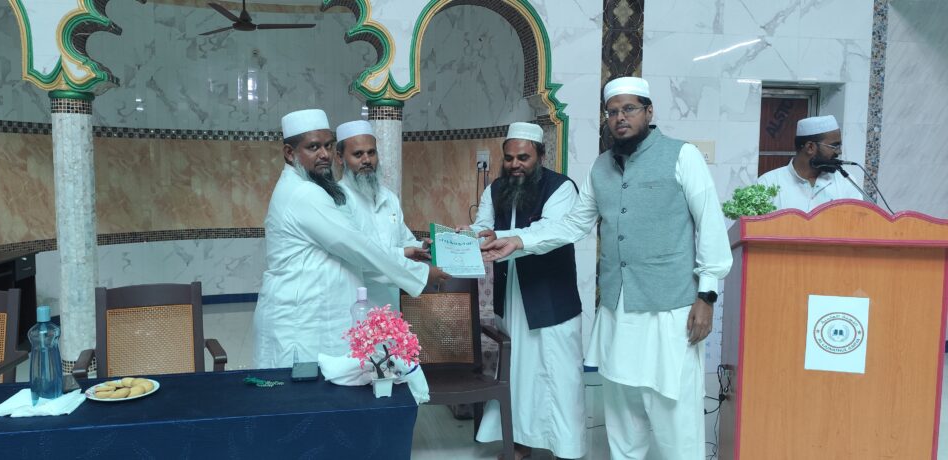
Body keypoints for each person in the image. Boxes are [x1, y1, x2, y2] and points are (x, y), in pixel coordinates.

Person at [481, 77, 732, 460]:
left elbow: (710, 224)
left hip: (670, 309)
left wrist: (707, 295)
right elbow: (572, 224)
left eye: (629, 109)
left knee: (674, 415)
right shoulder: (601, 168)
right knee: (622, 413)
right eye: (612, 112)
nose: (620, 118)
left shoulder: (683, 156)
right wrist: (519, 241)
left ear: (649, 111)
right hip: (617, 311)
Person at [252, 109, 449, 370]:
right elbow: (359, 248)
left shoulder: (313, 189)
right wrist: (422, 274)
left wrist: (411, 253)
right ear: (289, 153)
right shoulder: (304, 194)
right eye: (313, 147)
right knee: (302, 389)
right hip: (299, 320)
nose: (323, 154)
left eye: (327, 145)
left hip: (319, 315)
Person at [464, 122, 586, 460]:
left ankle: (567, 449)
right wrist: (466, 235)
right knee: (517, 374)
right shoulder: (496, 189)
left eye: (523, 158)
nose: (515, 164)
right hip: (512, 296)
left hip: (550, 299)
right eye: (509, 158)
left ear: (540, 156)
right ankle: (518, 442)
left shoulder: (561, 188)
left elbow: (551, 231)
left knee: (558, 374)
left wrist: (507, 239)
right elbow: (483, 226)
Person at [335, 120, 432, 310]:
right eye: (358, 154)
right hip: (354, 305)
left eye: (371, 152)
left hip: (389, 303)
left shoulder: (388, 197)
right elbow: (361, 258)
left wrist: (422, 247)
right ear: (340, 158)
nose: (367, 160)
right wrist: (407, 257)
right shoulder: (338, 200)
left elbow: (404, 241)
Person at [757, 115, 864, 211]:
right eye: (834, 146)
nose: (838, 152)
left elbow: (857, 221)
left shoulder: (845, 182)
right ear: (810, 147)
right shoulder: (768, 183)